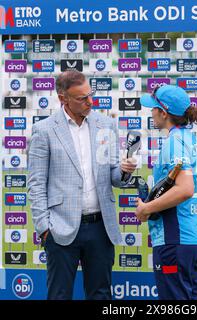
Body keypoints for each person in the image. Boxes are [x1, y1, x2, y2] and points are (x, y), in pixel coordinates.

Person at [28, 70, 137, 300]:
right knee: (59, 295)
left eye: (91, 95)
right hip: (59, 228)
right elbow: (36, 183)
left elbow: (113, 177)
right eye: (82, 98)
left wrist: (125, 171)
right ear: (62, 98)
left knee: (100, 295)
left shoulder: (106, 125)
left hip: (101, 227)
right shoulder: (44, 130)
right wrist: (44, 228)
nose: (90, 102)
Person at [135, 85, 197, 300]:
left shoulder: (174, 142)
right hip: (195, 238)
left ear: (164, 112)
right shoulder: (192, 139)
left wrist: (146, 208)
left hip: (176, 239)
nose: (151, 113)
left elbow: (185, 189)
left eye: (153, 108)